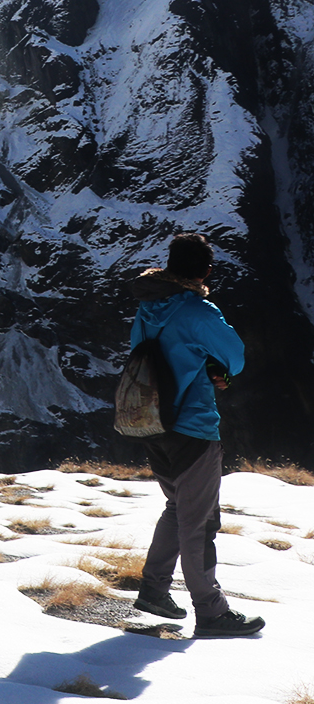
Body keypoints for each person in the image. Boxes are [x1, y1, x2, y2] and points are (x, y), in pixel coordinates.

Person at [129, 232, 263, 638]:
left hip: (152, 423)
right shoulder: (199, 311)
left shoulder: (148, 308)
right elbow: (235, 356)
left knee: (177, 508)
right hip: (192, 427)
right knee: (199, 521)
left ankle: (154, 590)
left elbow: (147, 354)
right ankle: (211, 611)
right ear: (206, 270)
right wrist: (214, 368)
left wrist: (197, 363)